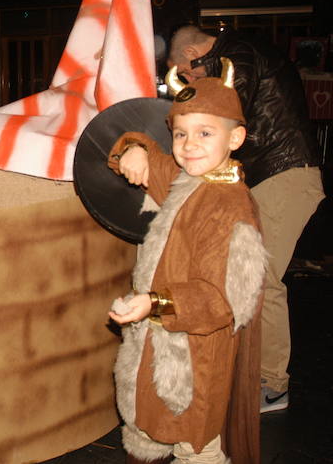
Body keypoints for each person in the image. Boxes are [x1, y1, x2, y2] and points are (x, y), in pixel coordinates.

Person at [108, 65, 267, 464]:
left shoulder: (230, 206)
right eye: (181, 133)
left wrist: (154, 303)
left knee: (196, 445)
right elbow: (144, 154)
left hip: (195, 357)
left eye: (205, 133)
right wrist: (135, 149)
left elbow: (220, 300)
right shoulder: (190, 178)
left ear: (236, 138)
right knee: (159, 424)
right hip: (163, 343)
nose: (189, 145)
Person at [168, 25, 323, 413]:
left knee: (262, 279)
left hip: (284, 173)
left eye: (185, 71)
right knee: (245, 274)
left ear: (191, 52)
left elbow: (228, 104)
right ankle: (253, 373)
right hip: (271, 174)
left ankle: (272, 384)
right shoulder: (239, 50)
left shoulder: (235, 53)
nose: (189, 80)